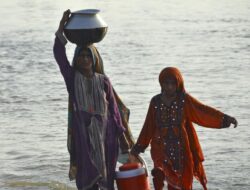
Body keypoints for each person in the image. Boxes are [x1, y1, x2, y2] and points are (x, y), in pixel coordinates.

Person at [53, 10, 134, 190]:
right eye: (81, 56)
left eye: (88, 55)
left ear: (94, 58)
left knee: (106, 176)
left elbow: (113, 111)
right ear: (77, 59)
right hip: (83, 135)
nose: (84, 59)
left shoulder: (103, 81)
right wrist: (61, 27)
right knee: (87, 176)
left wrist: (123, 138)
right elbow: (59, 55)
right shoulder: (72, 78)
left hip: (107, 134)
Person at [129, 67, 238, 190]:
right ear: (161, 84)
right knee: (159, 174)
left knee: (182, 182)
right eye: (166, 83)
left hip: (181, 149)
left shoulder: (184, 100)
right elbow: (148, 126)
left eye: (173, 83)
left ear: (178, 84)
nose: (169, 87)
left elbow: (202, 111)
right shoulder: (155, 102)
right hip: (160, 148)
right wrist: (138, 148)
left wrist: (225, 119)